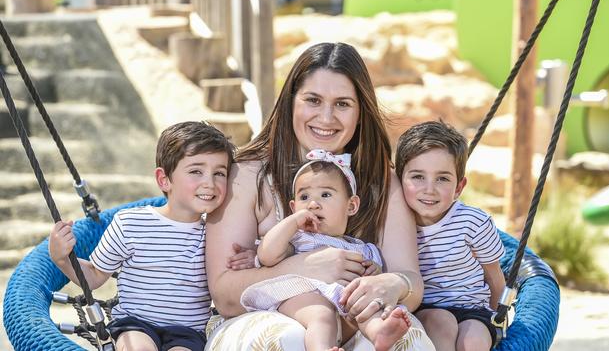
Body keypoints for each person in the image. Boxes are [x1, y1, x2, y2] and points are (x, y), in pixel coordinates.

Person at [205, 42, 434, 350]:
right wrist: (302, 267)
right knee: (289, 338)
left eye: (342, 104)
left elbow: (411, 279)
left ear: (360, 113)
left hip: (356, 318)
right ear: (291, 103)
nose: (326, 117)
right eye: (313, 100)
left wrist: (394, 283)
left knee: (406, 339)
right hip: (266, 316)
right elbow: (224, 294)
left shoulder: (381, 182)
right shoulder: (248, 176)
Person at [49, 121, 235, 351]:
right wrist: (63, 259)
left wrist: (247, 259)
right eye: (196, 171)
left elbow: (232, 278)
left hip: (187, 333)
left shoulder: (218, 233)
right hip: (135, 325)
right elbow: (95, 276)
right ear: (164, 179)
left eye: (219, 173)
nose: (210, 183)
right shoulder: (131, 223)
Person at [237, 150, 411, 351]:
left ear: (351, 205)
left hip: (345, 302)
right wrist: (292, 222)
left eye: (326, 195)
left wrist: (374, 273)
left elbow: (377, 279)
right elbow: (266, 256)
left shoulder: (362, 248)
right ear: (293, 207)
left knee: (369, 307)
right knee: (322, 315)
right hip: (303, 296)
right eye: (304, 196)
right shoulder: (297, 238)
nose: (313, 204)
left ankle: (378, 332)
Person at [395, 120, 506, 351]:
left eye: (442, 178)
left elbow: (495, 277)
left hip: (473, 309)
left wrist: (499, 316)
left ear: (459, 187)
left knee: (473, 342)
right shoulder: (395, 224)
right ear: (399, 179)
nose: (429, 189)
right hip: (426, 309)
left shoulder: (474, 222)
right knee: (441, 323)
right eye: (418, 177)